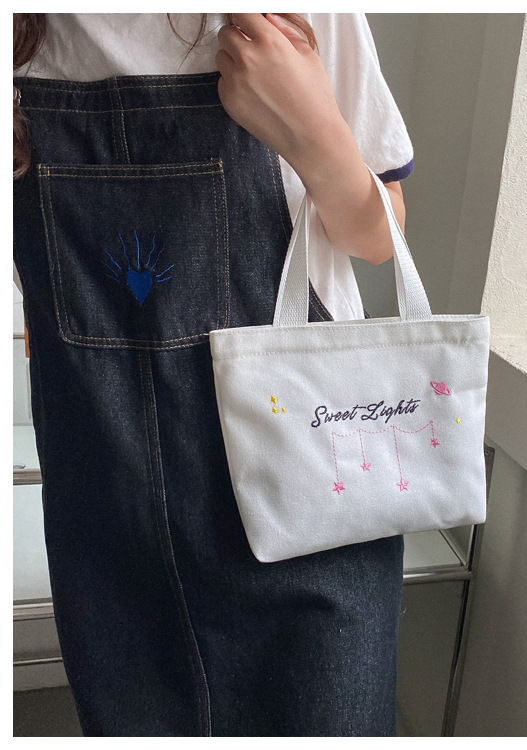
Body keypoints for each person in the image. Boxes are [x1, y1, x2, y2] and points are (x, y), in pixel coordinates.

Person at [13, 13, 414, 737]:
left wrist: (314, 136)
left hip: (311, 507)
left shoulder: (295, 15)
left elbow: (378, 238)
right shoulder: (25, 32)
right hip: (109, 519)